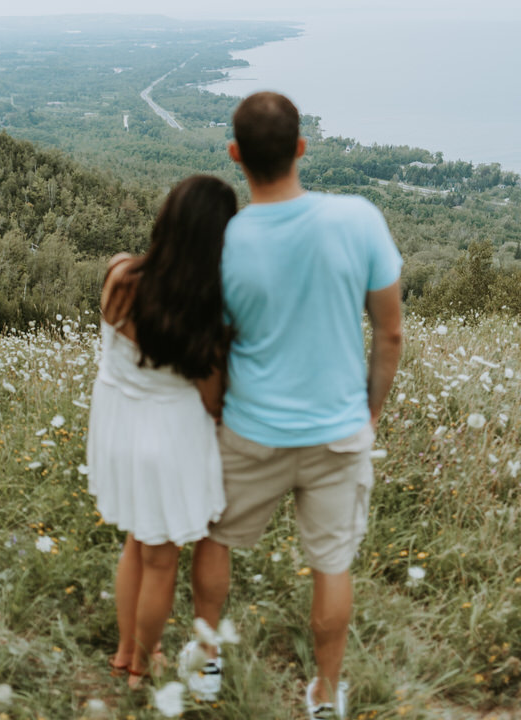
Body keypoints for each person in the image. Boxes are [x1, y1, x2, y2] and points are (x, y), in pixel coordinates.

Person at [184, 93, 402, 719]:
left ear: (235, 156)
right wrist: (369, 413)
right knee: (332, 564)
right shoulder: (358, 219)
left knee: (216, 535)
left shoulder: (223, 243)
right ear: (302, 148)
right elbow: (389, 333)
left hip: (251, 429)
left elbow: (212, 352)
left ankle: (205, 669)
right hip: (337, 433)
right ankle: (326, 696)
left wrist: (217, 411)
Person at [86, 174, 237, 689]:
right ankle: (143, 662)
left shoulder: (119, 275)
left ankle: (125, 649)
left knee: (135, 541)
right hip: (166, 438)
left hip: (115, 429)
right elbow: (213, 401)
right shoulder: (204, 316)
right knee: (160, 561)